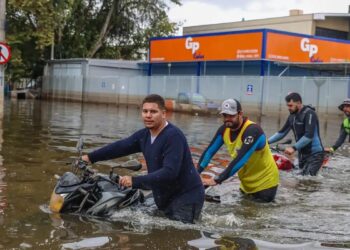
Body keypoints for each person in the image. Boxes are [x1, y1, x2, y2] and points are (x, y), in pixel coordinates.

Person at [81, 94, 204, 224]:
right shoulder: (144, 136)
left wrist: (134, 181)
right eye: (145, 111)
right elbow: (120, 147)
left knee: (175, 238)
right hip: (165, 196)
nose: (148, 115)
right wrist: (90, 157)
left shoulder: (173, 137)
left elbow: (170, 172)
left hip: (186, 197)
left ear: (163, 114)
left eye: (153, 111)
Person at [197, 98, 279, 203]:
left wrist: (217, 180)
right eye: (225, 116)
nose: (227, 119)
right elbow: (209, 152)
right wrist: (195, 174)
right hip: (246, 184)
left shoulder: (253, 131)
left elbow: (241, 160)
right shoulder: (224, 130)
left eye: (231, 116)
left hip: (266, 184)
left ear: (240, 114)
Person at [268, 92, 324, 176]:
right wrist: (265, 142)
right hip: (302, 155)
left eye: (290, 105)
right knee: (300, 180)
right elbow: (281, 133)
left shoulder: (309, 113)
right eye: (287, 105)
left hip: (315, 154)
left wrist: (293, 148)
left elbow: (309, 136)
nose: (288, 108)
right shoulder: (292, 117)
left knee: (308, 180)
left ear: (298, 103)